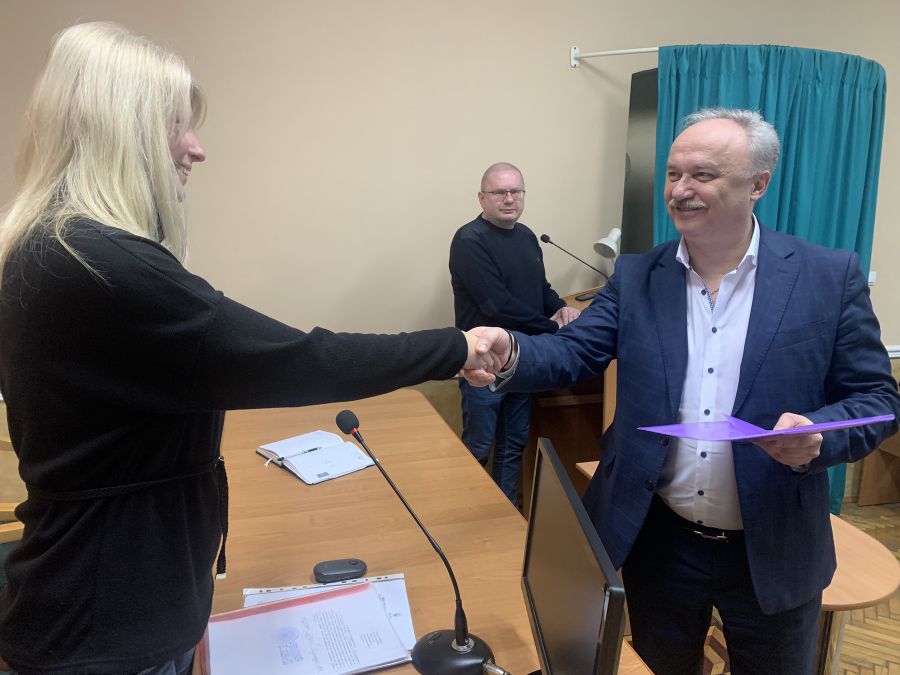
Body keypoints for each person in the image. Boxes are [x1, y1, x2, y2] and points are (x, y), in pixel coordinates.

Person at [0, 22, 497, 674]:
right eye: (177, 125)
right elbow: (299, 360)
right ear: (120, 130)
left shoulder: (46, 248)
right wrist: (455, 348)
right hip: (112, 628)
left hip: (98, 601)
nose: (196, 148)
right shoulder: (102, 267)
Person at [464, 109, 900, 673]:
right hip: (660, 542)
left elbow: (877, 400)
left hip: (773, 544)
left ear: (758, 184)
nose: (680, 189)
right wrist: (510, 352)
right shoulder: (637, 276)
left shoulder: (827, 277)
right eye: (673, 174)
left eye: (703, 174)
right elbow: (575, 351)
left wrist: (818, 438)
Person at [449, 163, 579, 504]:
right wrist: (552, 327)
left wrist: (561, 307)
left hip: (523, 359)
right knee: (478, 446)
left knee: (512, 445)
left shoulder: (527, 236)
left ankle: (506, 514)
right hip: (484, 363)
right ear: (482, 198)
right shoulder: (469, 240)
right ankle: (468, 515)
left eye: (515, 191)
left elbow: (541, 288)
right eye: (499, 192)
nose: (509, 199)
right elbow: (497, 306)